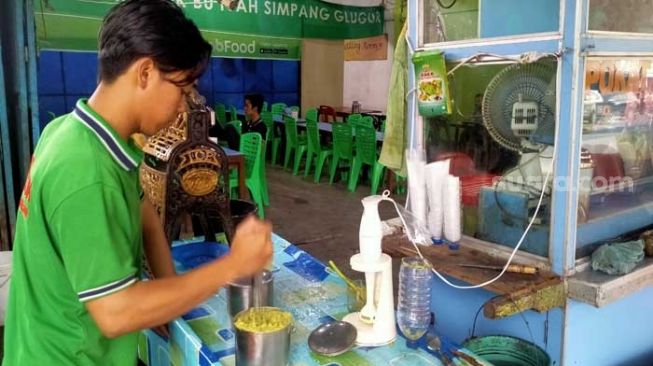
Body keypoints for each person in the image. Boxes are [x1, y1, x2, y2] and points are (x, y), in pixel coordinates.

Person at [2, 1, 272, 365]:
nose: (182, 107)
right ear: (145, 72)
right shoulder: (85, 169)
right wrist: (232, 265)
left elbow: (143, 210)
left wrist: (164, 291)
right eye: (181, 88)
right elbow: (116, 314)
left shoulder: (68, 131)